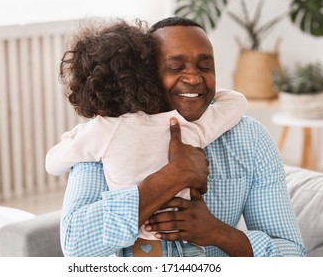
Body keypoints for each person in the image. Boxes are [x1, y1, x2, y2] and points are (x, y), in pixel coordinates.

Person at [59, 17, 306, 257]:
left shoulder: (249, 138)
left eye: (205, 67)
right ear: (147, 76)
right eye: (175, 67)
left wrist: (215, 232)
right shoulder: (111, 133)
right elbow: (76, 244)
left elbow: (293, 256)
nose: (194, 78)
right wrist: (174, 176)